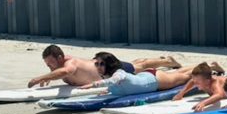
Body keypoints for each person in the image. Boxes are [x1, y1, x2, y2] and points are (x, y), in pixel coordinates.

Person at [28, 44, 183, 88]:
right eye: (47, 64)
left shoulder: (70, 64)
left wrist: (39, 78)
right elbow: (59, 72)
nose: (49, 67)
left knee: (138, 65)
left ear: (60, 57)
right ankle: (166, 61)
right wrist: (49, 76)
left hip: (109, 68)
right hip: (97, 65)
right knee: (137, 63)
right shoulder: (58, 68)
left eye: (51, 63)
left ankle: (168, 62)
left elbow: (66, 71)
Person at [77, 52, 225, 96]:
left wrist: (92, 85)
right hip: (149, 77)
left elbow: (115, 80)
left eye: (101, 63)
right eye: (96, 63)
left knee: (186, 77)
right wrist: (107, 90)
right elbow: (115, 84)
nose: (98, 66)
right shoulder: (112, 77)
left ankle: (209, 67)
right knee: (179, 73)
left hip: (155, 81)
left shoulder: (118, 73)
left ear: (108, 64)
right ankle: (209, 65)